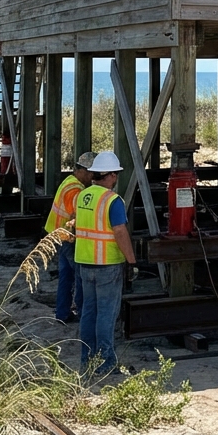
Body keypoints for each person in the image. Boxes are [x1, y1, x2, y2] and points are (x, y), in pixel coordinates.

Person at [74, 151, 140, 377]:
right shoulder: (113, 200)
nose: (117, 178)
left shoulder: (82, 196)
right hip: (107, 265)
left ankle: (87, 360)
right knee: (106, 315)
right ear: (110, 175)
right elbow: (120, 232)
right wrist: (131, 261)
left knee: (88, 313)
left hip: (84, 263)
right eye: (116, 174)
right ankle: (105, 362)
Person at [45, 151, 96, 323]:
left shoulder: (69, 182)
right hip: (67, 238)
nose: (92, 177)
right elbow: (80, 214)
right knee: (81, 276)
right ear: (82, 171)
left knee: (66, 276)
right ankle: (83, 313)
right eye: (90, 173)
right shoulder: (76, 190)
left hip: (59, 234)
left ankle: (62, 313)